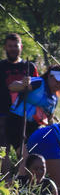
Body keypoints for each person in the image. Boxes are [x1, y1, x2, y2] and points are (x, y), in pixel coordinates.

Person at [7, 64, 60, 177]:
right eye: (57, 80)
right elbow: (12, 86)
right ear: (50, 76)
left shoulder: (54, 99)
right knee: (24, 155)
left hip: (34, 128)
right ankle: (21, 181)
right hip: (17, 122)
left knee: (37, 157)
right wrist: (23, 84)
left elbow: (49, 119)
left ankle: (33, 181)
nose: (59, 84)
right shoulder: (39, 82)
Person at [0, 34, 37, 178]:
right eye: (10, 46)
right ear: (5, 47)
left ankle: (27, 181)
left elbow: (38, 89)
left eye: (15, 46)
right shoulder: (1, 66)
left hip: (24, 115)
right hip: (3, 114)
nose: (13, 49)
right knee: (3, 150)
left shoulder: (29, 67)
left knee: (25, 150)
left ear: (21, 47)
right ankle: (6, 182)